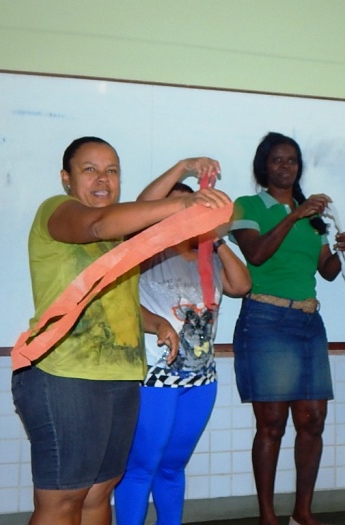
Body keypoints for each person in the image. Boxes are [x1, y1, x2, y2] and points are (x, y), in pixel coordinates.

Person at [11, 136, 230, 525]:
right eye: (89, 169)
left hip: (122, 375)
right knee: (64, 499)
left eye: (112, 171)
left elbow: (115, 298)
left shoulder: (119, 236)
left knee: (101, 492)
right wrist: (183, 204)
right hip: (63, 373)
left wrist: (157, 322)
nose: (103, 178)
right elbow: (98, 224)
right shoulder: (58, 211)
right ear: (66, 178)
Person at [114, 162, 251, 525]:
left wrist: (214, 237)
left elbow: (242, 285)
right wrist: (183, 168)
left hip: (200, 379)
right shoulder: (148, 250)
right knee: (142, 467)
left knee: (172, 466)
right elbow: (141, 207)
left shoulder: (208, 255)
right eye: (174, 208)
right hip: (156, 377)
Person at [229, 132, 345, 525]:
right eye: (277, 160)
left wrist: (340, 249)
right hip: (265, 320)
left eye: (292, 160)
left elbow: (327, 272)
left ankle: (303, 512)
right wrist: (293, 216)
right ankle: (268, 516)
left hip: (308, 321)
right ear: (263, 166)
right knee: (271, 426)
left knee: (313, 421)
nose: (286, 167)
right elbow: (256, 254)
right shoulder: (247, 205)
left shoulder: (312, 216)